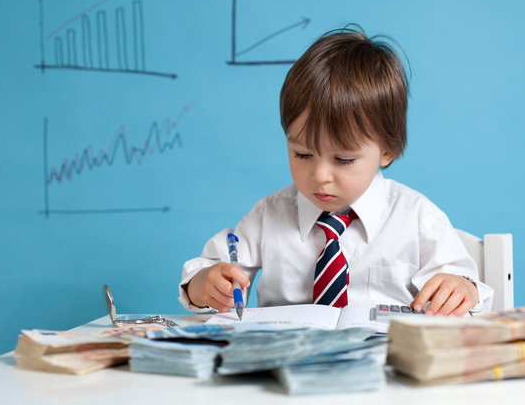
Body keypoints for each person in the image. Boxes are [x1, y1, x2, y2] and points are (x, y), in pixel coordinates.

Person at [179, 26, 493, 317]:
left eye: (343, 159)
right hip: (287, 363)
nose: (320, 175)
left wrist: (461, 288)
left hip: (383, 367)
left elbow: (466, 287)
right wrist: (205, 284)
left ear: (387, 150)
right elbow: (206, 271)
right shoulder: (268, 216)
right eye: (302, 154)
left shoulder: (416, 218)